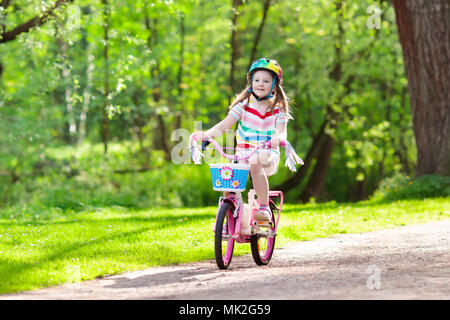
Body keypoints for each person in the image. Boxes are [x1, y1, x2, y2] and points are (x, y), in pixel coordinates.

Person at [195, 58, 293, 221]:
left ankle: (264, 208)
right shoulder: (243, 106)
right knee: (227, 178)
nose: (260, 84)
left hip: (267, 155)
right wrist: (207, 134)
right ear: (251, 82)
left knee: (256, 161)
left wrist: (279, 139)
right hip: (242, 155)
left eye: (266, 81)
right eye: (257, 80)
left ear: (275, 85)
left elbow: (281, 131)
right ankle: (231, 216)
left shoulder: (278, 109)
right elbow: (224, 125)